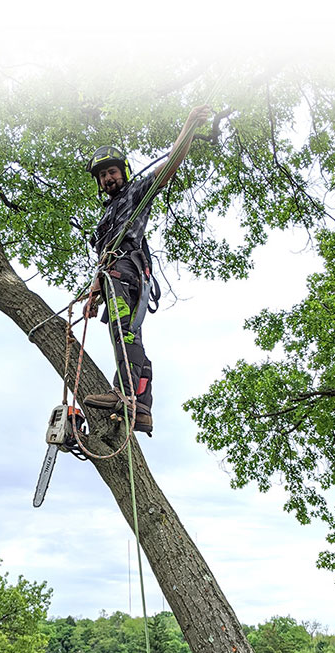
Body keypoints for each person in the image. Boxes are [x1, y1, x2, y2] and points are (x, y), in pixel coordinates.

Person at [83, 104, 212, 435]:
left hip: (127, 270)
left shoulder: (136, 192)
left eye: (112, 171)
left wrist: (189, 126)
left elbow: (170, 165)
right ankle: (142, 407)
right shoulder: (104, 221)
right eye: (102, 175)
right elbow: (102, 260)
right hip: (113, 275)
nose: (107, 178)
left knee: (122, 329)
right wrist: (94, 295)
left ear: (123, 172)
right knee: (130, 332)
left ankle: (124, 394)